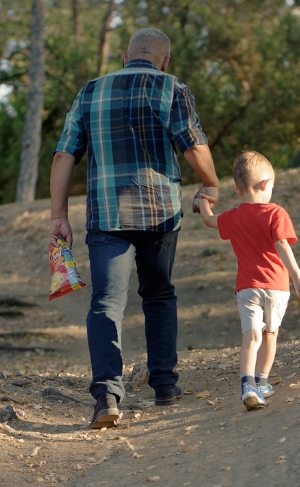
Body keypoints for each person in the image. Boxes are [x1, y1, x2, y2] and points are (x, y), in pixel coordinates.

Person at [50, 28, 219, 428]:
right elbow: (192, 145)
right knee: (158, 294)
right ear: (165, 60)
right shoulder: (172, 87)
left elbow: (63, 154)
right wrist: (210, 183)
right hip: (159, 212)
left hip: (107, 216)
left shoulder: (91, 91)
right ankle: (164, 385)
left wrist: (58, 215)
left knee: (107, 303)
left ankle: (107, 395)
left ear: (126, 57)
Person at [196, 150, 300, 411]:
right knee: (270, 335)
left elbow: (208, 220)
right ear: (265, 184)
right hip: (276, 287)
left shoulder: (234, 216)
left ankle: (247, 385)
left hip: (247, 287)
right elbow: (281, 244)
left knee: (251, 337)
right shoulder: (276, 213)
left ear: (238, 191)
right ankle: (261, 383)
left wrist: (204, 201)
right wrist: (298, 275)